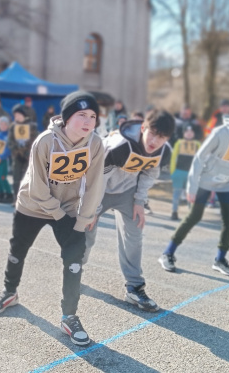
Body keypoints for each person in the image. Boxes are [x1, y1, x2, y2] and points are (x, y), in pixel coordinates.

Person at [0, 91, 105, 346]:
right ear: (66, 117)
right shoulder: (45, 141)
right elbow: (37, 187)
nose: (88, 121)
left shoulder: (95, 144)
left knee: (74, 259)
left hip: (69, 206)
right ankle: (9, 292)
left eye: (93, 116)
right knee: (18, 249)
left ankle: (69, 316)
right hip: (33, 205)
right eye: (81, 115)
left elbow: (95, 185)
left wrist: (85, 217)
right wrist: (59, 215)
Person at [158, 93, 229, 276]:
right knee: (194, 216)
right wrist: (192, 186)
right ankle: (167, 253)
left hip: (228, 181)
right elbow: (199, 158)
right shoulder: (220, 132)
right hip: (206, 179)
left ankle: (220, 259)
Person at [83, 109, 175, 312]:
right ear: (143, 127)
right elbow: (98, 178)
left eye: (161, 137)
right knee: (86, 231)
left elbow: (150, 172)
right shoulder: (119, 145)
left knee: (134, 234)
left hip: (127, 190)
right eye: (152, 133)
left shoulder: (163, 150)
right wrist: (92, 209)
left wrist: (139, 201)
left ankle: (134, 287)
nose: (154, 141)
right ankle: (74, 271)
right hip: (100, 188)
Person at [169, 125, 200, 221]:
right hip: (179, 171)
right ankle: (174, 212)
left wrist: (198, 172)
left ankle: (192, 214)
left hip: (191, 173)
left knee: (192, 194)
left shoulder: (198, 144)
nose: (189, 133)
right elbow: (173, 157)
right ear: (183, 133)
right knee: (176, 194)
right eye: (187, 131)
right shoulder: (179, 143)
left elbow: (200, 159)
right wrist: (172, 172)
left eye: (191, 131)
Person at [8, 104, 39, 197]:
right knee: (16, 178)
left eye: (18, 114)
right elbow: (10, 140)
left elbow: (35, 140)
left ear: (22, 115)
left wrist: (28, 153)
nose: (16, 117)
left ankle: (26, 199)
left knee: (28, 178)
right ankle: (16, 198)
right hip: (17, 156)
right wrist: (16, 151)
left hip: (28, 156)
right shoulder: (13, 126)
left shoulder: (32, 126)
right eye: (15, 115)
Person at [0, 116, 13, 203]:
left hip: (3, 160)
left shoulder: (8, 135)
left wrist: (1, 157)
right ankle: (0, 193)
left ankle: (9, 194)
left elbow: (8, 149)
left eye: (5, 124)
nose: (3, 126)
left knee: (2, 177)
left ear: (7, 125)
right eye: (1, 124)